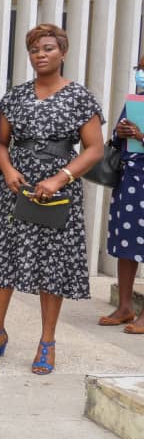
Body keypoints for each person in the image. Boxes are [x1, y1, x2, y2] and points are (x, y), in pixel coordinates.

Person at [0, 23, 104, 375]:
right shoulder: (15, 96)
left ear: (63, 52)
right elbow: (0, 142)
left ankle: (47, 342)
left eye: (48, 48)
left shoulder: (79, 97)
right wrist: (7, 170)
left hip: (59, 190)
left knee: (53, 265)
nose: (40, 55)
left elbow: (94, 148)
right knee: (3, 259)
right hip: (16, 187)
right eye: (34, 50)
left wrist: (60, 178)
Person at [101, 54, 144, 334]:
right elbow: (116, 142)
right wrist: (121, 132)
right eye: (141, 69)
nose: (141, 74)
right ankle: (125, 307)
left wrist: (141, 136)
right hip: (130, 180)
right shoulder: (136, 102)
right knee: (126, 245)